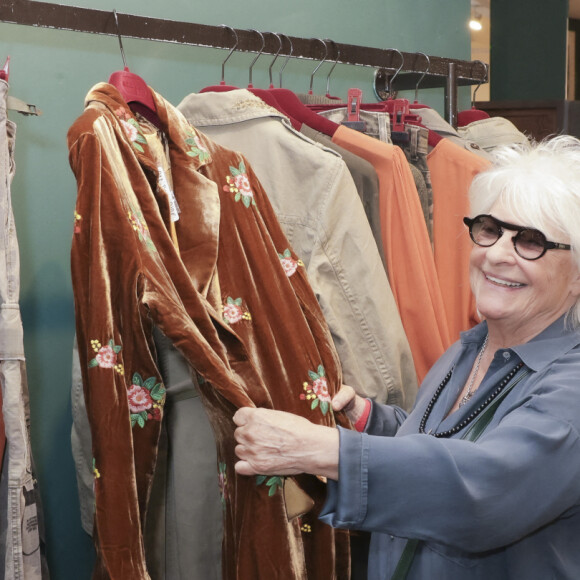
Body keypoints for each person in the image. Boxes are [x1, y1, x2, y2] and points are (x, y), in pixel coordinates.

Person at [233, 135, 580, 579]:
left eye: (531, 241)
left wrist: (321, 449)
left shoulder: (569, 387)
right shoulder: (473, 346)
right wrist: (368, 420)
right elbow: (449, 440)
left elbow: (482, 491)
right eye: (491, 229)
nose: (496, 255)